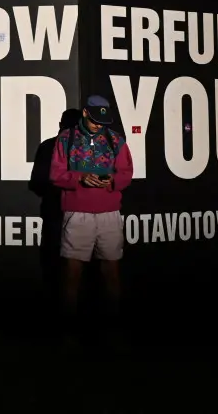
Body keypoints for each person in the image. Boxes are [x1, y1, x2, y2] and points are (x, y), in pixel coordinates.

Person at [49, 94, 134, 331]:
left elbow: (126, 173)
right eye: (95, 120)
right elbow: (55, 175)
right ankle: (68, 335)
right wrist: (80, 178)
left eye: (103, 122)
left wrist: (112, 181)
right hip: (77, 214)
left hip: (109, 214)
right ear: (85, 113)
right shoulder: (65, 139)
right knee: (72, 274)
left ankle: (114, 332)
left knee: (112, 272)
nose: (99, 125)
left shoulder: (116, 140)